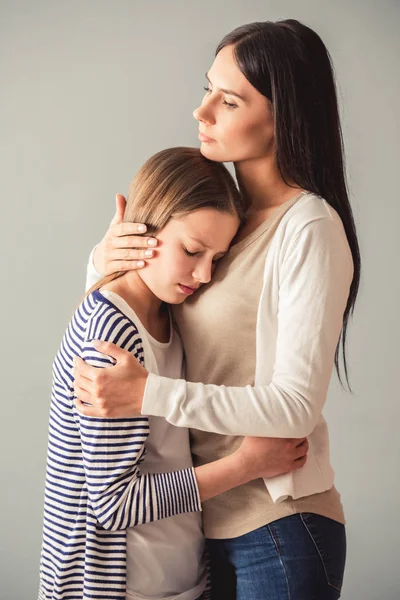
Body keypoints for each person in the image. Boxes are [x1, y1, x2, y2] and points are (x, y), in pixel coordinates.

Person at [75, 19, 360, 600]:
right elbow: (130, 325)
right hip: (199, 526)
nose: (202, 112)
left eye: (229, 100)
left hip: (279, 527)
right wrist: (104, 262)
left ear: (286, 117)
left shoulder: (308, 227)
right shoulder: (213, 218)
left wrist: (146, 394)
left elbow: (294, 409)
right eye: (207, 89)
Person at [39, 147, 308, 600]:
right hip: (117, 587)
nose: (203, 274)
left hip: (175, 576)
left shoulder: (168, 314)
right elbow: (114, 503)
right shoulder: (112, 331)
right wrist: (246, 465)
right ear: (142, 229)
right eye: (192, 251)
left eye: (216, 259)